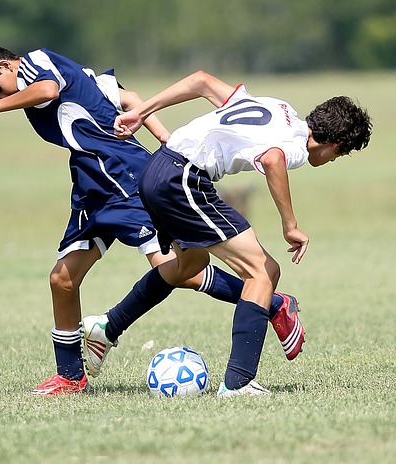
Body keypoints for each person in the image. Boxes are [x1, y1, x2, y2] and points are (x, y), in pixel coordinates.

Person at [0, 48, 305, 396]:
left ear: (6, 65)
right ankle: (70, 376)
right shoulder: (75, 74)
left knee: (180, 267)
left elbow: (48, 90)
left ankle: (274, 303)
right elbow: (126, 97)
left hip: (123, 176)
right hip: (90, 183)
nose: (1, 96)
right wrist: (163, 138)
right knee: (62, 279)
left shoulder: (37, 63)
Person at [82, 72, 372, 397]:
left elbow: (202, 81)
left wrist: (142, 110)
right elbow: (273, 158)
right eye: (339, 155)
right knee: (263, 271)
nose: (331, 160)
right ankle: (238, 383)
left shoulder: (278, 107)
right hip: (183, 178)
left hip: (156, 169)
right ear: (337, 144)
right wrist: (290, 225)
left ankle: (107, 326)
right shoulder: (298, 147)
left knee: (189, 265)